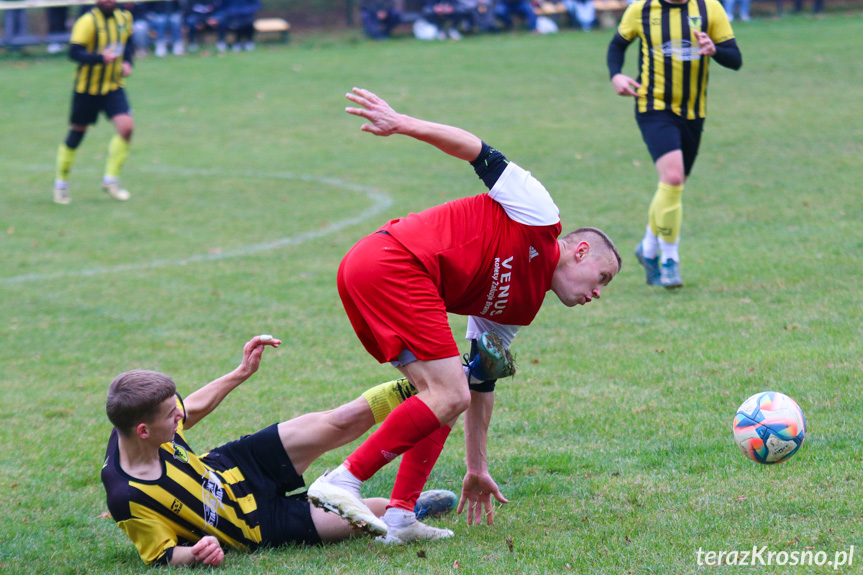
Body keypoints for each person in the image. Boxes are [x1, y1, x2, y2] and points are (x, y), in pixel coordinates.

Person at [307, 88, 621, 543]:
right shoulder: (540, 216)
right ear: (581, 250)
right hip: (394, 262)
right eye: (602, 278)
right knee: (446, 391)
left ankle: (399, 517)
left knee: (446, 392)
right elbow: (476, 149)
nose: (597, 292)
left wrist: (477, 467)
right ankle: (344, 479)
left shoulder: (519, 310)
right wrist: (402, 123)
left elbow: (480, 383)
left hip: (374, 272)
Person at [102, 334, 458, 566]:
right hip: (257, 525)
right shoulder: (128, 498)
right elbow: (161, 556)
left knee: (340, 421)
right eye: (171, 414)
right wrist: (196, 554)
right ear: (144, 431)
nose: (179, 415)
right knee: (371, 518)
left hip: (237, 465)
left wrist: (241, 372)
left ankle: (433, 384)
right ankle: (412, 506)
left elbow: (191, 407)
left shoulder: (141, 428)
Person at [606, 0, 741, 288]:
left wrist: (714, 49)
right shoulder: (641, 10)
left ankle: (648, 247)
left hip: (693, 112)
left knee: (672, 187)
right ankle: (669, 259)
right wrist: (616, 74)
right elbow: (616, 46)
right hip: (652, 106)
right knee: (673, 177)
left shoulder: (709, 8)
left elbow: (736, 59)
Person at [53, 0, 135, 205]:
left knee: (126, 127)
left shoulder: (124, 18)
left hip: (113, 86)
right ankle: (61, 185)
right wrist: (99, 58)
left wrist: (127, 62)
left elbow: (128, 44)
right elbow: (74, 53)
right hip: (86, 90)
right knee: (77, 133)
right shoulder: (87, 21)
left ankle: (111, 180)